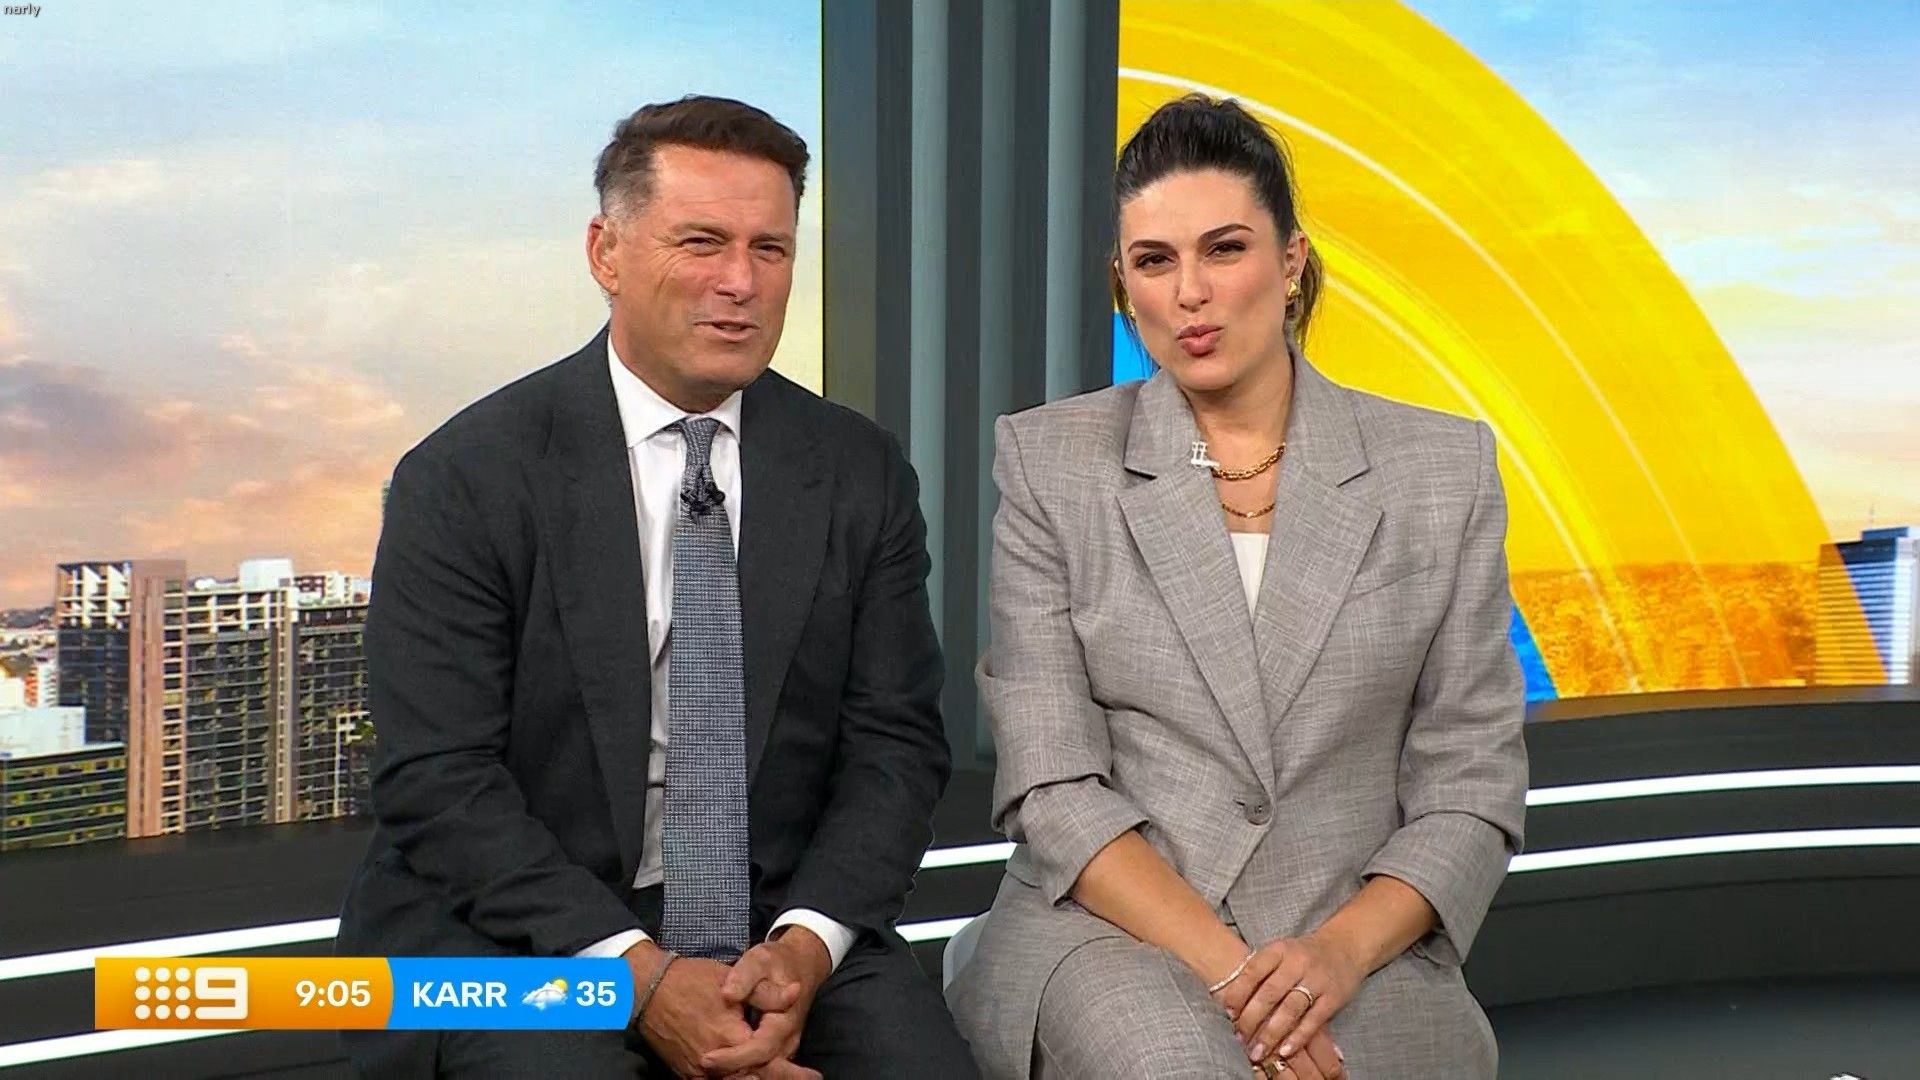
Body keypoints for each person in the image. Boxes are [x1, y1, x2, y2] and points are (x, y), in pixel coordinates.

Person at [336, 95, 980, 1079]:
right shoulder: (466, 477)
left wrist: (804, 951)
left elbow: (893, 745)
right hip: (511, 932)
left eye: (770, 250)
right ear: (606, 253)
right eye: (701, 242)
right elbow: (440, 781)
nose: (740, 282)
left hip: (777, 925)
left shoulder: (858, 470)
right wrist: (641, 977)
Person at [946, 94, 1529, 1079]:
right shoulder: (1051, 462)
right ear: (1123, 285)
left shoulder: (1442, 470)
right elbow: (1052, 785)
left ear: (1291, 261)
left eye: (1224, 250)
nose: (1190, 294)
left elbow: (1471, 782)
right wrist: (1240, 982)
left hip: (1352, 935)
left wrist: (1334, 956)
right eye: (1154, 261)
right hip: (1117, 924)